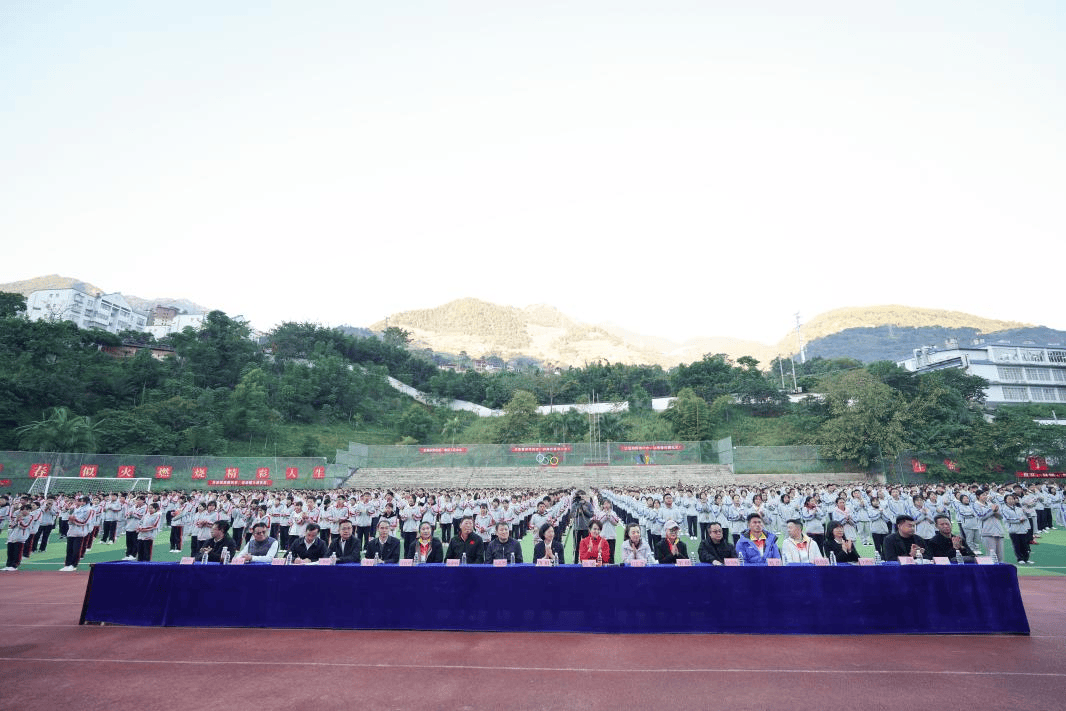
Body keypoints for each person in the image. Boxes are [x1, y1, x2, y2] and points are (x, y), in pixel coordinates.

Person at [59, 496, 92, 572]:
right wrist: (70, 518)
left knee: (76, 549)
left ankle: (74, 565)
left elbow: (85, 521)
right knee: (69, 549)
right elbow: (69, 518)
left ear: (86, 502)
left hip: (80, 531)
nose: (81, 502)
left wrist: (74, 520)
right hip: (71, 530)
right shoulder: (76, 509)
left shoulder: (89, 510)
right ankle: (67, 564)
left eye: (82, 501)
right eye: (80, 501)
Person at [973, 489, 1006, 562]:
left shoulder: (990, 504)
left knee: (1000, 555)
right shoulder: (976, 505)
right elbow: (981, 516)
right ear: (978, 496)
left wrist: (996, 511)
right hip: (987, 532)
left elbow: (1000, 517)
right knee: (991, 555)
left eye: (986, 495)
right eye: (983, 495)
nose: (985, 496)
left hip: (998, 531)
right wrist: (992, 511)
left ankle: (1000, 568)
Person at [1001, 494, 1033, 565]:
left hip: (1022, 528)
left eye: (1012, 499)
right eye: (1009, 499)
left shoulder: (1018, 508)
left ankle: (1026, 559)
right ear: (1005, 500)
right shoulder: (1004, 509)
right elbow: (1007, 519)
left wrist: (1024, 517)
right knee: (1017, 545)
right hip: (1013, 529)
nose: (1011, 500)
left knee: (1025, 544)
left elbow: (1025, 516)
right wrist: (1019, 520)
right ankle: (1020, 558)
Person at [3, 505, 34, 571]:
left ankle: (15, 565)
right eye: (23, 509)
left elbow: (24, 526)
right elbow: (11, 525)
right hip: (13, 535)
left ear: (30, 511)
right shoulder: (18, 516)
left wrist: (19, 520)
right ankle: (8, 565)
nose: (25, 511)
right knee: (10, 550)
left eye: (27, 510)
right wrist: (15, 519)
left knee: (17, 551)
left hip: (21, 536)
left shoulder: (30, 518)